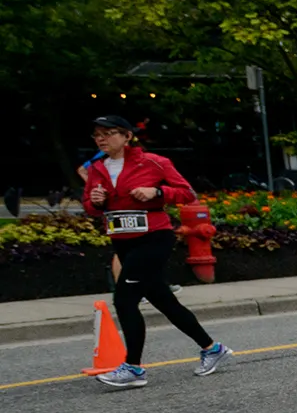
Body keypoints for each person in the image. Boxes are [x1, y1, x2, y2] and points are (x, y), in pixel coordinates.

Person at [81, 114, 233, 387]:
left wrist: (157, 193)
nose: (101, 139)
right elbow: (91, 207)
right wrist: (96, 201)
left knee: (125, 300)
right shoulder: (96, 169)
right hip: (122, 241)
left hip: (154, 238)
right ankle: (212, 349)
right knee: (164, 301)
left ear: (127, 136)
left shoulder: (153, 162)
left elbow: (186, 193)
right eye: (97, 135)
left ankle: (134, 368)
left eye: (108, 133)